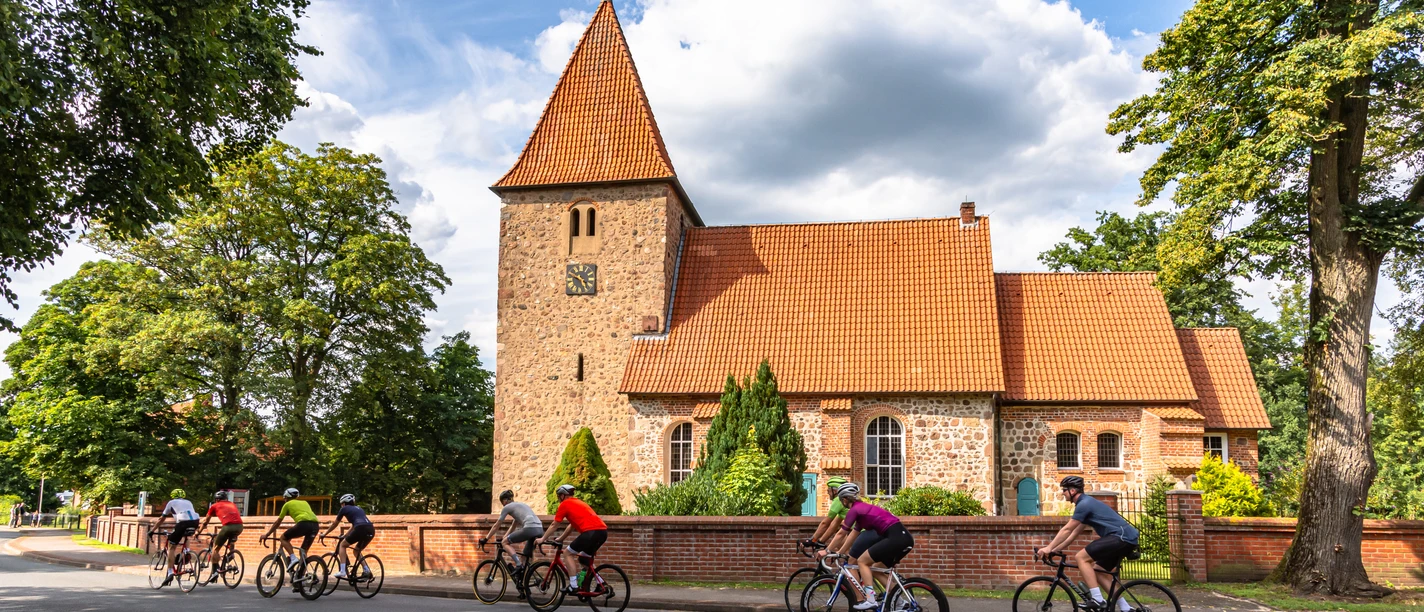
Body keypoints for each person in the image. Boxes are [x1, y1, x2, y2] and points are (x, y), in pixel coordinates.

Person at [1036, 476, 1140, 612]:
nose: (1062, 493)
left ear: (1072, 491)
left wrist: (1048, 548)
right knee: (1099, 571)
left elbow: (1067, 529)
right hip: (1125, 539)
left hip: (1120, 537)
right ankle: (1126, 608)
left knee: (1081, 557)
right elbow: (1073, 534)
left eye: (1064, 490)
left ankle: (1097, 599)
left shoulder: (1084, 504)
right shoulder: (1087, 504)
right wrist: (1055, 550)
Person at [817, 483, 915, 611]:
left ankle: (870, 599)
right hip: (903, 537)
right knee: (874, 569)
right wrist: (840, 553)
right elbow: (853, 533)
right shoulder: (862, 510)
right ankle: (900, 602)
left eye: (841, 500)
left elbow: (842, 533)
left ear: (845, 499)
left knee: (862, 561)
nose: (842, 503)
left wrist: (827, 550)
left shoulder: (854, 510)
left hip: (895, 537)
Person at [536, 484, 607, 593]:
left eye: (559, 496)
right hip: (602, 532)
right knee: (584, 558)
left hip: (590, 532)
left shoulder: (565, 504)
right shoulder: (579, 502)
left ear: (563, 495)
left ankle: (573, 585)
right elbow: (571, 525)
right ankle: (601, 583)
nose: (559, 498)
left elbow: (554, 524)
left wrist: (543, 538)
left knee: (567, 553)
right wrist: (560, 538)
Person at [260, 487, 321, 584]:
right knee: (303, 552)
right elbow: (304, 515)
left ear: (286, 497)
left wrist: (267, 534)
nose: (284, 500)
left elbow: (277, 522)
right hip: (315, 526)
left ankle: (293, 558)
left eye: (284, 498)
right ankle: (300, 579)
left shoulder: (287, 504)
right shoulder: (305, 502)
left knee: (283, 538)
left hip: (303, 524)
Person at [482, 489, 543, 578]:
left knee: (505, 543)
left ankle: (518, 564)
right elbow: (513, 526)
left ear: (505, 500)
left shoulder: (507, 507)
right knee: (524, 556)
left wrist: (486, 538)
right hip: (540, 529)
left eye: (502, 502)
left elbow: (496, 525)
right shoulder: (521, 505)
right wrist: (504, 537)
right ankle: (523, 582)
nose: (503, 504)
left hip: (530, 528)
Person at [151, 488, 202, 586]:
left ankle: (170, 572)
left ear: (172, 496)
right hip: (195, 522)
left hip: (182, 523)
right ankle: (187, 551)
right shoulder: (189, 502)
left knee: (171, 547)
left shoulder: (171, 502)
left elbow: (162, 518)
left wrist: (152, 530)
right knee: (185, 535)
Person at [321, 493, 375, 580]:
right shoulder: (359, 509)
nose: (341, 506)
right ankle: (366, 570)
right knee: (356, 551)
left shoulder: (344, 509)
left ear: (344, 503)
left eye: (341, 504)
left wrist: (325, 534)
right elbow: (354, 525)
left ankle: (342, 571)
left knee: (342, 545)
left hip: (360, 528)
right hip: (370, 529)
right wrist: (346, 535)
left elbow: (335, 523)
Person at [196, 491, 244, 584]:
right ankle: (231, 553)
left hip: (228, 527)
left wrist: (198, 532)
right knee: (231, 538)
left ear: (216, 499)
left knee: (215, 549)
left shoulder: (214, 505)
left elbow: (206, 521)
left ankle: (214, 572)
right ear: (226, 499)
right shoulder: (232, 504)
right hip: (240, 526)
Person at [804, 477, 848, 548]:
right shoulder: (846, 499)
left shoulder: (838, 500)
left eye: (828, 490)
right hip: (860, 531)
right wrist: (821, 541)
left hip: (860, 532)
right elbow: (834, 525)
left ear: (834, 491)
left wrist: (812, 540)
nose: (828, 493)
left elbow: (825, 523)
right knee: (840, 545)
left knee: (848, 553)